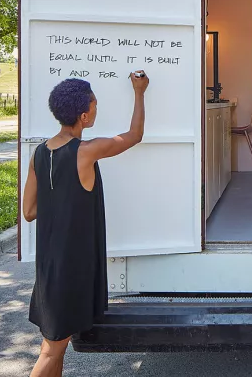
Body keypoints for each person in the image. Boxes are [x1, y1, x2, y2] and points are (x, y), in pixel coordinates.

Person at [23, 72, 149, 377]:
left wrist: (62, 203)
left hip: (49, 267)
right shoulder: (85, 151)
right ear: (83, 115)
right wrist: (139, 92)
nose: (96, 109)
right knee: (50, 351)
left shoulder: (39, 153)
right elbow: (133, 136)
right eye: (94, 105)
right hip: (71, 268)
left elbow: (29, 211)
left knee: (56, 346)